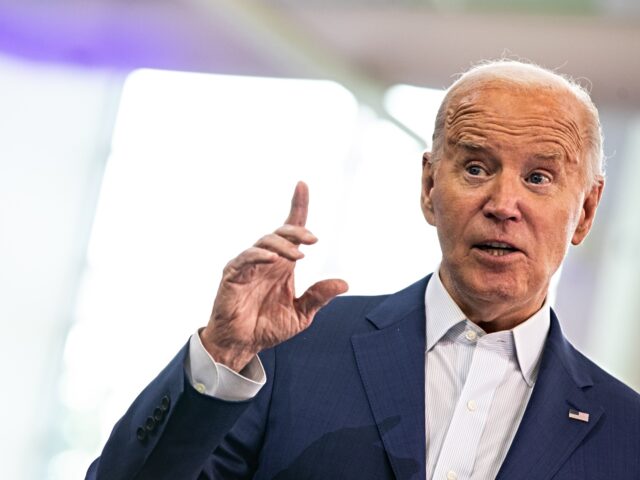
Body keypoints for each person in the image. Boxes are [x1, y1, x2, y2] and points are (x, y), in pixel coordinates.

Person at [86, 60, 640, 480]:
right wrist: (223, 356)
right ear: (428, 187)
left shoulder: (627, 431)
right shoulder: (287, 350)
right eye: (475, 167)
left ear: (586, 211)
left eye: (539, 178)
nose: (502, 202)